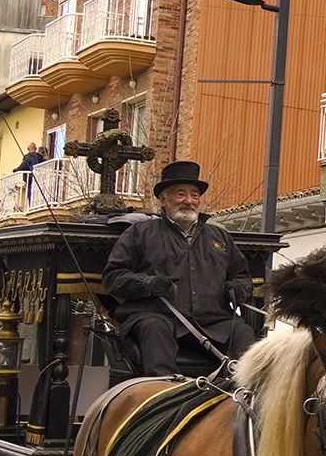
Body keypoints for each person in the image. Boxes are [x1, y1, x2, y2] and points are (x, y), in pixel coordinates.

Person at [103, 161, 255, 376]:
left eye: (194, 195)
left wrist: (239, 288)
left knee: (243, 332)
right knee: (155, 327)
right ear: (163, 199)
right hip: (160, 319)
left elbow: (242, 276)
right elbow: (113, 278)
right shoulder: (140, 233)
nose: (189, 201)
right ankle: (162, 396)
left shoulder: (220, 237)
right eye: (180, 194)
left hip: (214, 324)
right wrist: (147, 284)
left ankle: (243, 398)